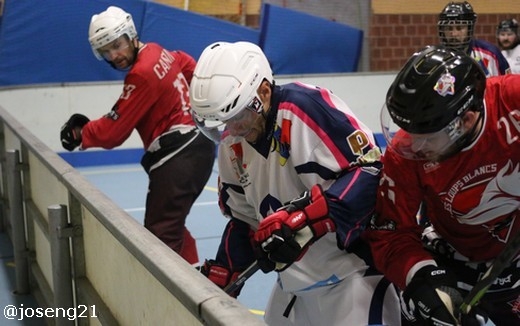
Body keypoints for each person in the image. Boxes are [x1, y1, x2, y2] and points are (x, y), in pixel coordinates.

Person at [189, 41, 402, 325]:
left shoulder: (306, 108)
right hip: (294, 286)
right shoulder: (232, 142)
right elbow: (245, 221)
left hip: (354, 277)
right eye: (220, 123)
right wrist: (228, 267)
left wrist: (307, 219)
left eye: (237, 116)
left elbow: (371, 172)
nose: (232, 130)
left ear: (263, 92)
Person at [364, 44, 520, 325]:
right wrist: (422, 279)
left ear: (466, 120)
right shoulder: (406, 152)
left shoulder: (513, 100)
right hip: (452, 257)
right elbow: (390, 232)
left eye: (426, 137)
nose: (412, 145)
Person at [59, 6, 215, 266]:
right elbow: (187, 64)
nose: (114, 55)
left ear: (131, 35)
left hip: (178, 156)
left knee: (160, 237)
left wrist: (81, 133)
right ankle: (195, 277)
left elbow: (113, 132)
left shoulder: (140, 73)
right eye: (106, 51)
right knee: (170, 227)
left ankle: (185, 298)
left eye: (117, 45)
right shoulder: (156, 51)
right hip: (198, 146)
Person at [438, 1, 510, 76]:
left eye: (459, 28)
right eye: (449, 28)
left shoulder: (491, 54)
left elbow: (506, 85)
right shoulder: (436, 58)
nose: (454, 34)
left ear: (469, 28)